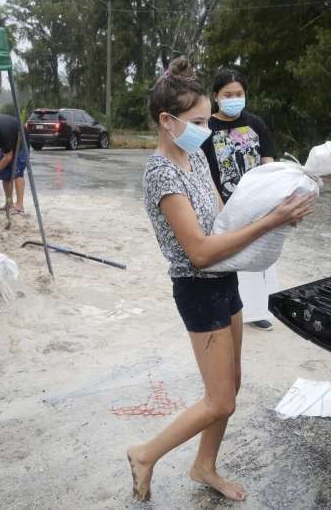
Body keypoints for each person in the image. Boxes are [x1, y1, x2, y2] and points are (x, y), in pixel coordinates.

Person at [128, 57, 314, 502]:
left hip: (223, 281)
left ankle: (203, 465)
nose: (204, 130)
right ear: (167, 121)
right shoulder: (162, 174)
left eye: (205, 120)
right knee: (220, 400)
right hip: (197, 288)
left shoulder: (193, 158)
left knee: (232, 383)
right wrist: (270, 223)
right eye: (195, 122)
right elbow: (199, 249)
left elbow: (223, 223)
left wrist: (277, 209)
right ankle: (144, 453)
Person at [201, 68, 278, 331]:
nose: (234, 98)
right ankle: (228, 308)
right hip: (222, 204)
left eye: (239, 93)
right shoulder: (205, 127)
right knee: (226, 257)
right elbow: (204, 170)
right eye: (227, 94)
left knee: (256, 256)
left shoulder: (256, 124)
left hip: (257, 204)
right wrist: (221, 207)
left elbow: (269, 163)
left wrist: (272, 197)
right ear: (216, 96)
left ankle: (257, 309)